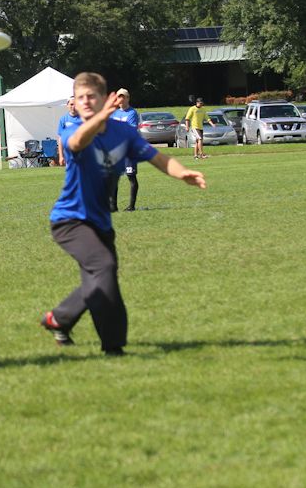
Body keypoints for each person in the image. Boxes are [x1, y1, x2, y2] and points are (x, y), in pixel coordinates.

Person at [40, 73, 206, 355]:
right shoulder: (73, 128)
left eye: (91, 96)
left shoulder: (123, 133)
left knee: (100, 278)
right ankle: (113, 347)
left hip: (101, 223)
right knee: (103, 267)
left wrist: (182, 173)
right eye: (80, 98)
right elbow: (77, 142)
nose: (85, 102)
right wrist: (99, 119)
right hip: (70, 221)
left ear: (105, 99)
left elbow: (157, 157)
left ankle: (59, 319)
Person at [108, 88, 141, 211]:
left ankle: (131, 206)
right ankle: (113, 206)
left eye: (123, 97)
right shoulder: (114, 114)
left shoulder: (132, 113)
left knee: (131, 176)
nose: (120, 99)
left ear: (128, 98)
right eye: (118, 97)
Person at [56, 96, 81, 166]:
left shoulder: (84, 118)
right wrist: (61, 156)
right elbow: (60, 138)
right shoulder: (63, 119)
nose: (73, 107)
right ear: (67, 105)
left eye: (75, 104)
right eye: (71, 104)